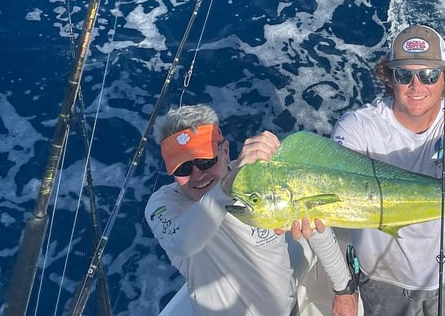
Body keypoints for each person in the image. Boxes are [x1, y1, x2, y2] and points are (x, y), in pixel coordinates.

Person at [331, 24, 445, 315]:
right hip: (382, 278)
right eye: (404, 75)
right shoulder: (356, 127)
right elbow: (333, 182)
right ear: (389, 78)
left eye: (428, 75)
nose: (416, 86)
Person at [145, 104, 357, 316]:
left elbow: (316, 225)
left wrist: (344, 289)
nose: (197, 175)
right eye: (183, 168)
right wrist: (226, 187)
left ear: (225, 151)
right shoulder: (163, 204)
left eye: (205, 161)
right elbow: (182, 244)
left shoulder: (262, 174)